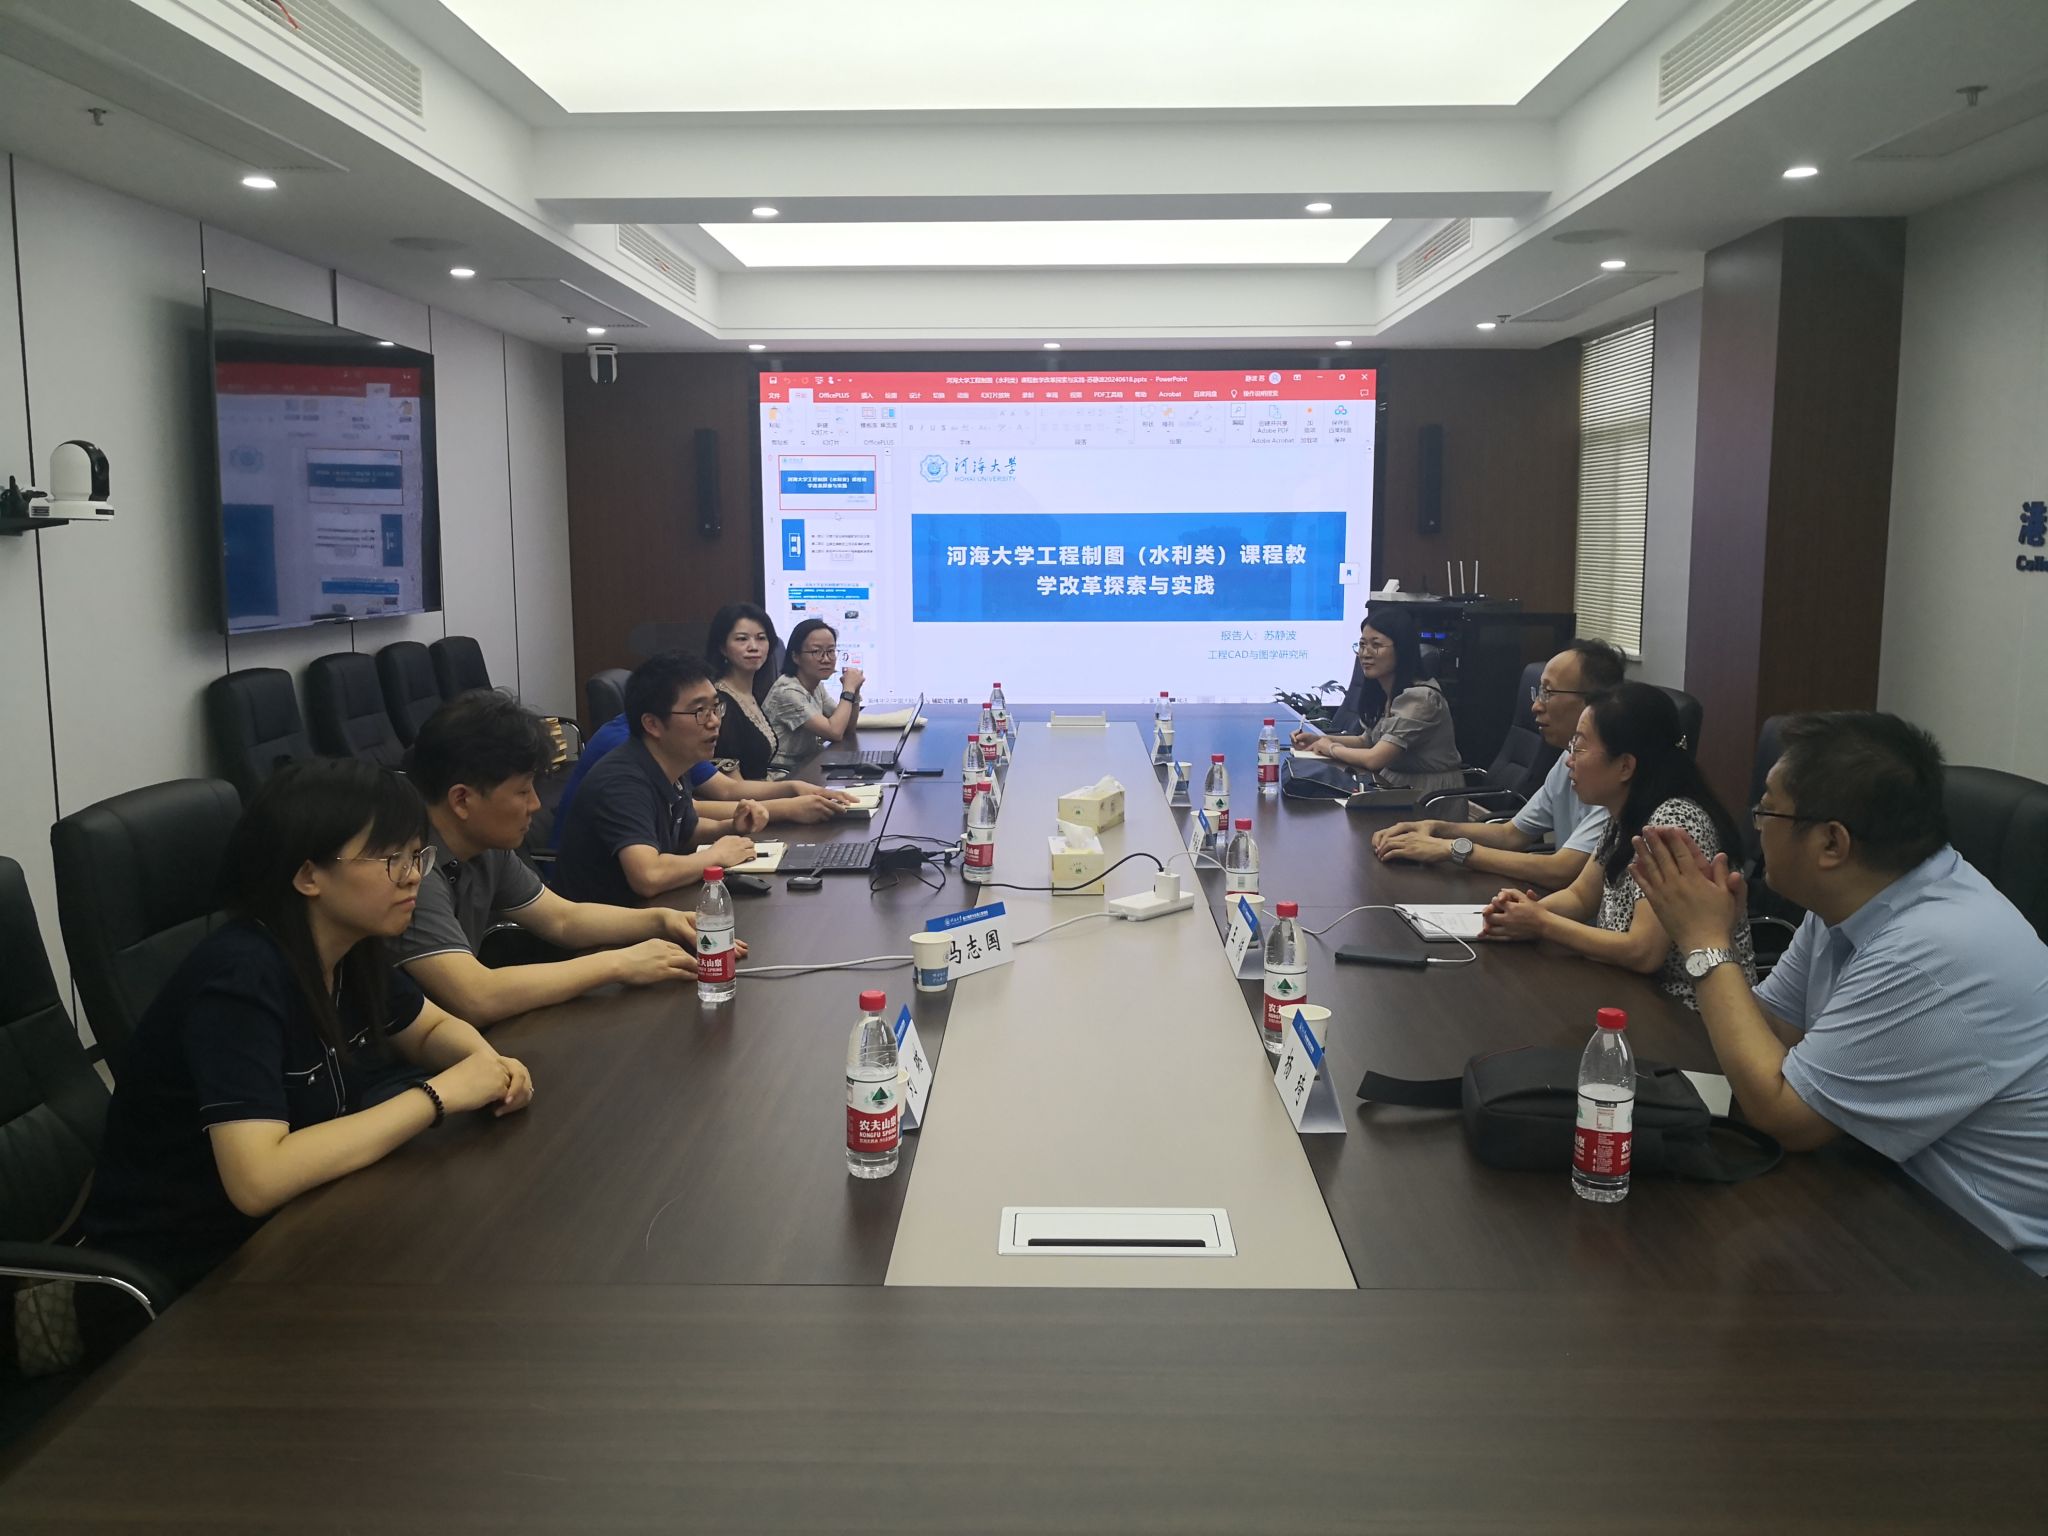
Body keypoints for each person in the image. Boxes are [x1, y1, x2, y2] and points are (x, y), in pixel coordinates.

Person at [78, 760, 532, 1302]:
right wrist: (437, 1096)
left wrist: (487, 1065)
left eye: (417, 855)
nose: (414, 875)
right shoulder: (240, 981)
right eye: (391, 859)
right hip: (191, 1278)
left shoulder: (350, 945)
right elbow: (258, 1180)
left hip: (299, 1229)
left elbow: (428, 1028)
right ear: (309, 876)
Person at [1630, 711, 2048, 1275]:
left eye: (1767, 809)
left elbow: (1783, 1112)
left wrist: (1703, 943)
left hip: (1986, 1267)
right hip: (1877, 1194)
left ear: (1831, 842)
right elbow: (1774, 1033)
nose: (1756, 824)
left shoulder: (1934, 946)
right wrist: (1719, 936)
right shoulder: (1855, 900)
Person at [395, 691, 750, 1026]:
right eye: (522, 791)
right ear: (461, 800)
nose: (536, 804)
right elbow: (475, 996)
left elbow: (563, 919)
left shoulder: (485, 846)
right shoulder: (408, 870)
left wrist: (663, 920)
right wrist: (618, 964)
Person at [1480, 682, 1754, 1008]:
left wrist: (1541, 923)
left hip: (1684, 1012)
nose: (1569, 760)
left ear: (1625, 766)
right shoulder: (1626, 810)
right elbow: (1581, 896)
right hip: (1625, 990)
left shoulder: (1674, 824)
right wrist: (1520, 914)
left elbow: (1643, 951)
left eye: (1579, 747)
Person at [1372, 638, 1628, 887]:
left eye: (1548, 693)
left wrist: (1452, 849)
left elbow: (1562, 870)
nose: (1536, 706)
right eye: (1538, 692)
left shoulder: (1615, 778)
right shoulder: (1566, 758)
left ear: (1593, 703)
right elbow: (1511, 835)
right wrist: (1435, 828)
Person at [550, 651, 764, 906]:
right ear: (652, 724)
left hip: (651, 910)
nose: (714, 721)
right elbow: (648, 876)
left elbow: (686, 830)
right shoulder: (622, 781)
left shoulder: (673, 761)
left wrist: (729, 827)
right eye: (699, 711)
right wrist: (716, 855)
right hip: (602, 922)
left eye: (715, 708)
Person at [1290, 608, 1463, 794]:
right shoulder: (1386, 692)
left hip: (1428, 794)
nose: (1365, 653)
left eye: (1376, 645)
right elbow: (1366, 741)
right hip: (1391, 784)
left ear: (1401, 649)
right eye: (1362, 645)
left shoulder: (1420, 699)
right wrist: (1319, 740)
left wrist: (1330, 748)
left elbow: (1375, 758)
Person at [764, 617, 866, 775]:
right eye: (816, 652)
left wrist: (855, 691)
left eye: (831, 651)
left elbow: (847, 728)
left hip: (807, 766)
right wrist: (848, 689)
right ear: (795, 656)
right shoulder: (788, 691)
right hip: (782, 775)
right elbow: (834, 732)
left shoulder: (815, 684)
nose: (826, 659)